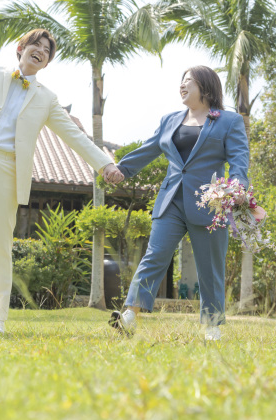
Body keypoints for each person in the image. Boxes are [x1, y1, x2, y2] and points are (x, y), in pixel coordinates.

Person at [0, 29, 124, 335]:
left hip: (8, 169)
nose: (40, 50)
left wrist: (105, 163)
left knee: (0, 247)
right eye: (35, 45)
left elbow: (73, 137)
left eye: (46, 50)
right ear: (21, 48)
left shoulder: (47, 99)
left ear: (46, 63)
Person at [109, 66, 259, 341]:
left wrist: (236, 189)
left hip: (211, 203)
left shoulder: (228, 121)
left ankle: (212, 326)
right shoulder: (170, 120)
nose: (182, 85)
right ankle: (130, 315)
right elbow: (149, 148)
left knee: (210, 266)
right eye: (182, 81)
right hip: (171, 201)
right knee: (155, 255)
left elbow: (239, 159)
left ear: (206, 86)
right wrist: (121, 169)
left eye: (188, 81)